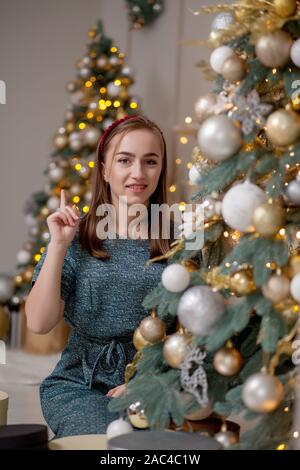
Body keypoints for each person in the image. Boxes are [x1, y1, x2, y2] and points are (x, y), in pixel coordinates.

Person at [25, 114, 176, 438]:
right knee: (106, 441)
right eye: (125, 160)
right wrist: (59, 246)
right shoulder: (75, 237)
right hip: (81, 382)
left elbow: (193, 332)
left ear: (161, 169)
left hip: (155, 380)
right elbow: (38, 323)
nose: (138, 173)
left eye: (150, 161)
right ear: (105, 169)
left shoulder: (179, 241)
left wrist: (150, 380)